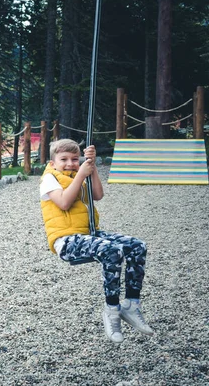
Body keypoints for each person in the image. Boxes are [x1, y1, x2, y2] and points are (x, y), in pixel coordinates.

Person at [39, 139, 154, 343]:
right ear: (53, 162)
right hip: (66, 240)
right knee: (112, 251)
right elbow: (64, 203)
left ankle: (131, 305)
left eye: (75, 159)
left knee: (137, 246)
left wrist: (91, 168)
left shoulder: (78, 174)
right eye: (63, 159)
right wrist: (81, 174)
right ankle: (111, 310)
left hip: (89, 234)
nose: (70, 163)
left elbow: (98, 195)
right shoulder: (49, 179)